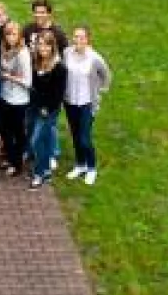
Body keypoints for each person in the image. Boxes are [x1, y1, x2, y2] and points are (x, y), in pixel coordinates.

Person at [63, 26, 112, 186]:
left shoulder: (95, 58)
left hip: (87, 103)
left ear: (88, 39)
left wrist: (100, 91)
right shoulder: (67, 53)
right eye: (76, 36)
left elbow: (106, 76)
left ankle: (91, 168)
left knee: (85, 138)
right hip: (70, 102)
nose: (78, 40)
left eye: (82, 37)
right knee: (75, 135)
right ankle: (80, 164)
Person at [28, 31, 68, 190]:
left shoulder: (59, 67)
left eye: (46, 44)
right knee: (42, 141)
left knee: (36, 140)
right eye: (40, 44)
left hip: (48, 110)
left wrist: (46, 108)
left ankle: (39, 174)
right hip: (35, 107)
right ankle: (45, 171)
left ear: (53, 46)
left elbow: (58, 94)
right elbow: (36, 88)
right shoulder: (37, 62)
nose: (43, 48)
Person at [0, 21, 32, 177]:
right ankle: (11, 157)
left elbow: (28, 81)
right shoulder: (5, 49)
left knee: (17, 133)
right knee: (4, 130)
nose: (11, 37)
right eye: (8, 34)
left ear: (19, 36)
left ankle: (16, 164)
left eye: (14, 34)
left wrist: (9, 77)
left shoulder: (23, 53)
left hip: (18, 100)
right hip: (4, 96)